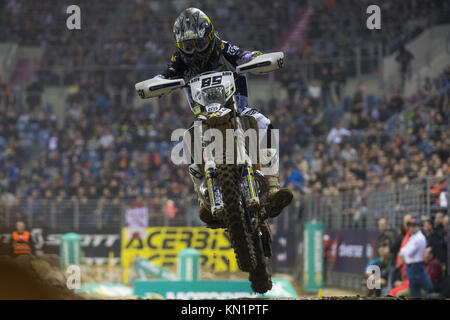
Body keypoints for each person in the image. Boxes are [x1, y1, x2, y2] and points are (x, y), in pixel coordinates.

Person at [154, 8, 293, 228]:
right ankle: (205, 202)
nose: (195, 50)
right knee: (188, 140)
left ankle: (273, 187)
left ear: (209, 36)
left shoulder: (221, 47)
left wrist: (258, 58)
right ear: (180, 45)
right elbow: (166, 74)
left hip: (236, 108)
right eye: (189, 46)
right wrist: (156, 84)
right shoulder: (179, 60)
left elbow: (243, 55)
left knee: (264, 123)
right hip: (203, 115)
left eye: (199, 43)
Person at [399, 217, 434, 298]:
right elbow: (403, 249)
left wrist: (403, 255)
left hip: (416, 266)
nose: (411, 228)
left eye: (413, 226)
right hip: (412, 267)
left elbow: (409, 253)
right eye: (410, 226)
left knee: (420, 290)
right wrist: (402, 254)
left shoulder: (419, 238)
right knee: (418, 290)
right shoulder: (413, 237)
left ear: (418, 227)